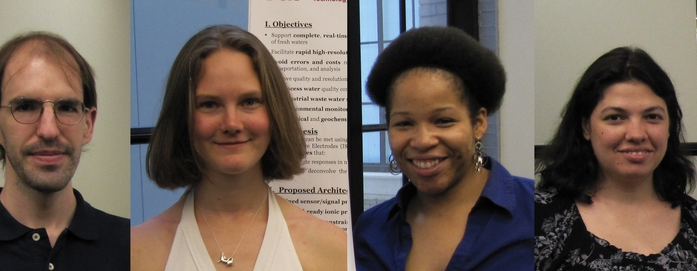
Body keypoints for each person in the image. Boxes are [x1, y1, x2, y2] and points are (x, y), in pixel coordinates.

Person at [130, 24, 347, 270]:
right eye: (210, 104)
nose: (231, 123)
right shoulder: (136, 252)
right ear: (183, 118)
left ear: (275, 112)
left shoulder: (333, 249)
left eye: (249, 101)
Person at [0, 32, 129, 270]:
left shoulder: (131, 246)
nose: (48, 130)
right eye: (26, 106)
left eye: (67, 107)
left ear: (88, 125)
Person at [353, 26, 534, 270]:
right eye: (404, 123)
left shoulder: (537, 212)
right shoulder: (371, 230)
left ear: (478, 123)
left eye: (443, 121)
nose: (423, 140)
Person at [535, 47, 697, 270]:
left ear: (670, 127)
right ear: (586, 127)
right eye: (615, 117)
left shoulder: (693, 219)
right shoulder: (536, 218)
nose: (637, 134)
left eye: (652, 117)